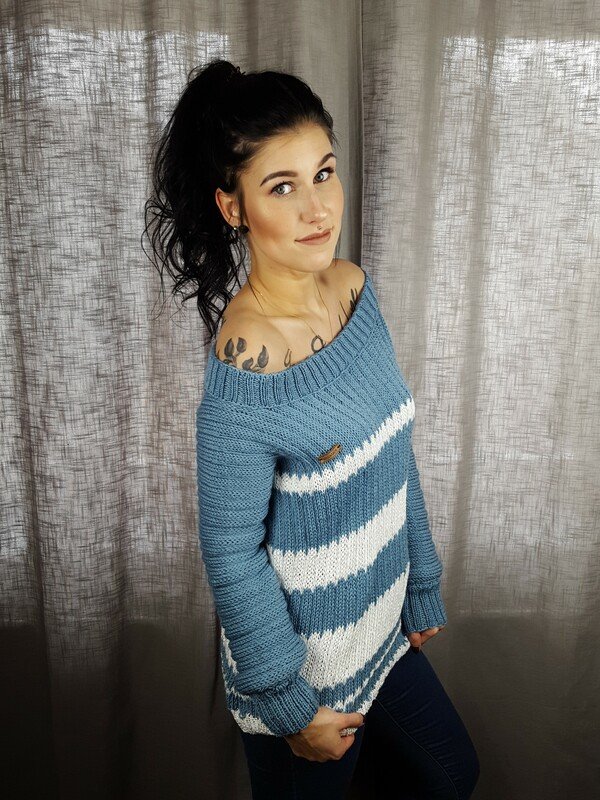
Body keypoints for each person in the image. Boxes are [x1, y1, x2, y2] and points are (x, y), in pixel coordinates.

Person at [143, 58, 480, 800]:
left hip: (381, 631)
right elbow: (231, 552)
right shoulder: (247, 357)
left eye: (323, 174)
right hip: (306, 677)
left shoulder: (354, 287)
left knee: (451, 773)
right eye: (282, 187)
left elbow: (395, 450)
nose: (317, 208)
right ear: (233, 207)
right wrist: (291, 708)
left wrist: (421, 582)